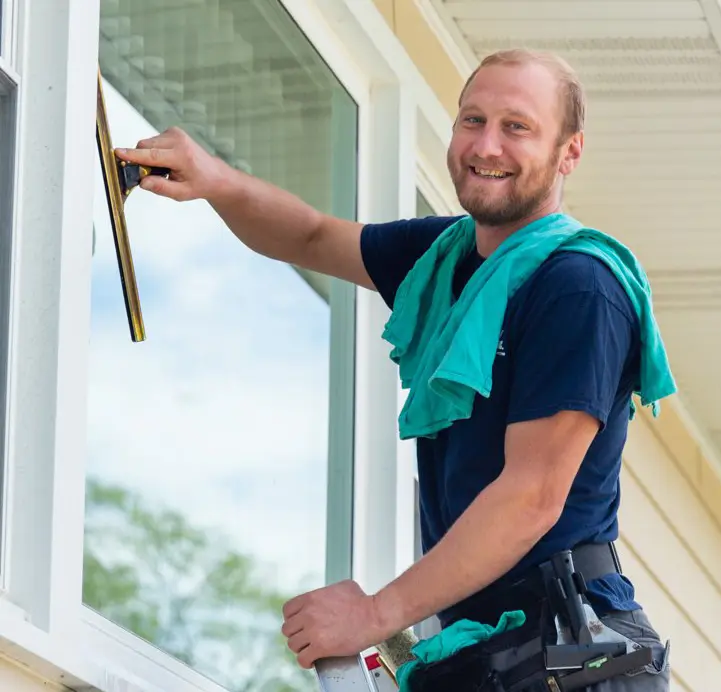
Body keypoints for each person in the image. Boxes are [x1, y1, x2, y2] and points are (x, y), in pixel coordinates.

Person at [116, 48, 674, 691]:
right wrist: (215, 179)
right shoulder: (444, 259)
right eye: (472, 120)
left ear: (568, 152)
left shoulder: (578, 285)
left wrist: (374, 614)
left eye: (516, 126)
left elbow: (532, 500)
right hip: (497, 649)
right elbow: (310, 237)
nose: (485, 144)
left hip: (573, 657)